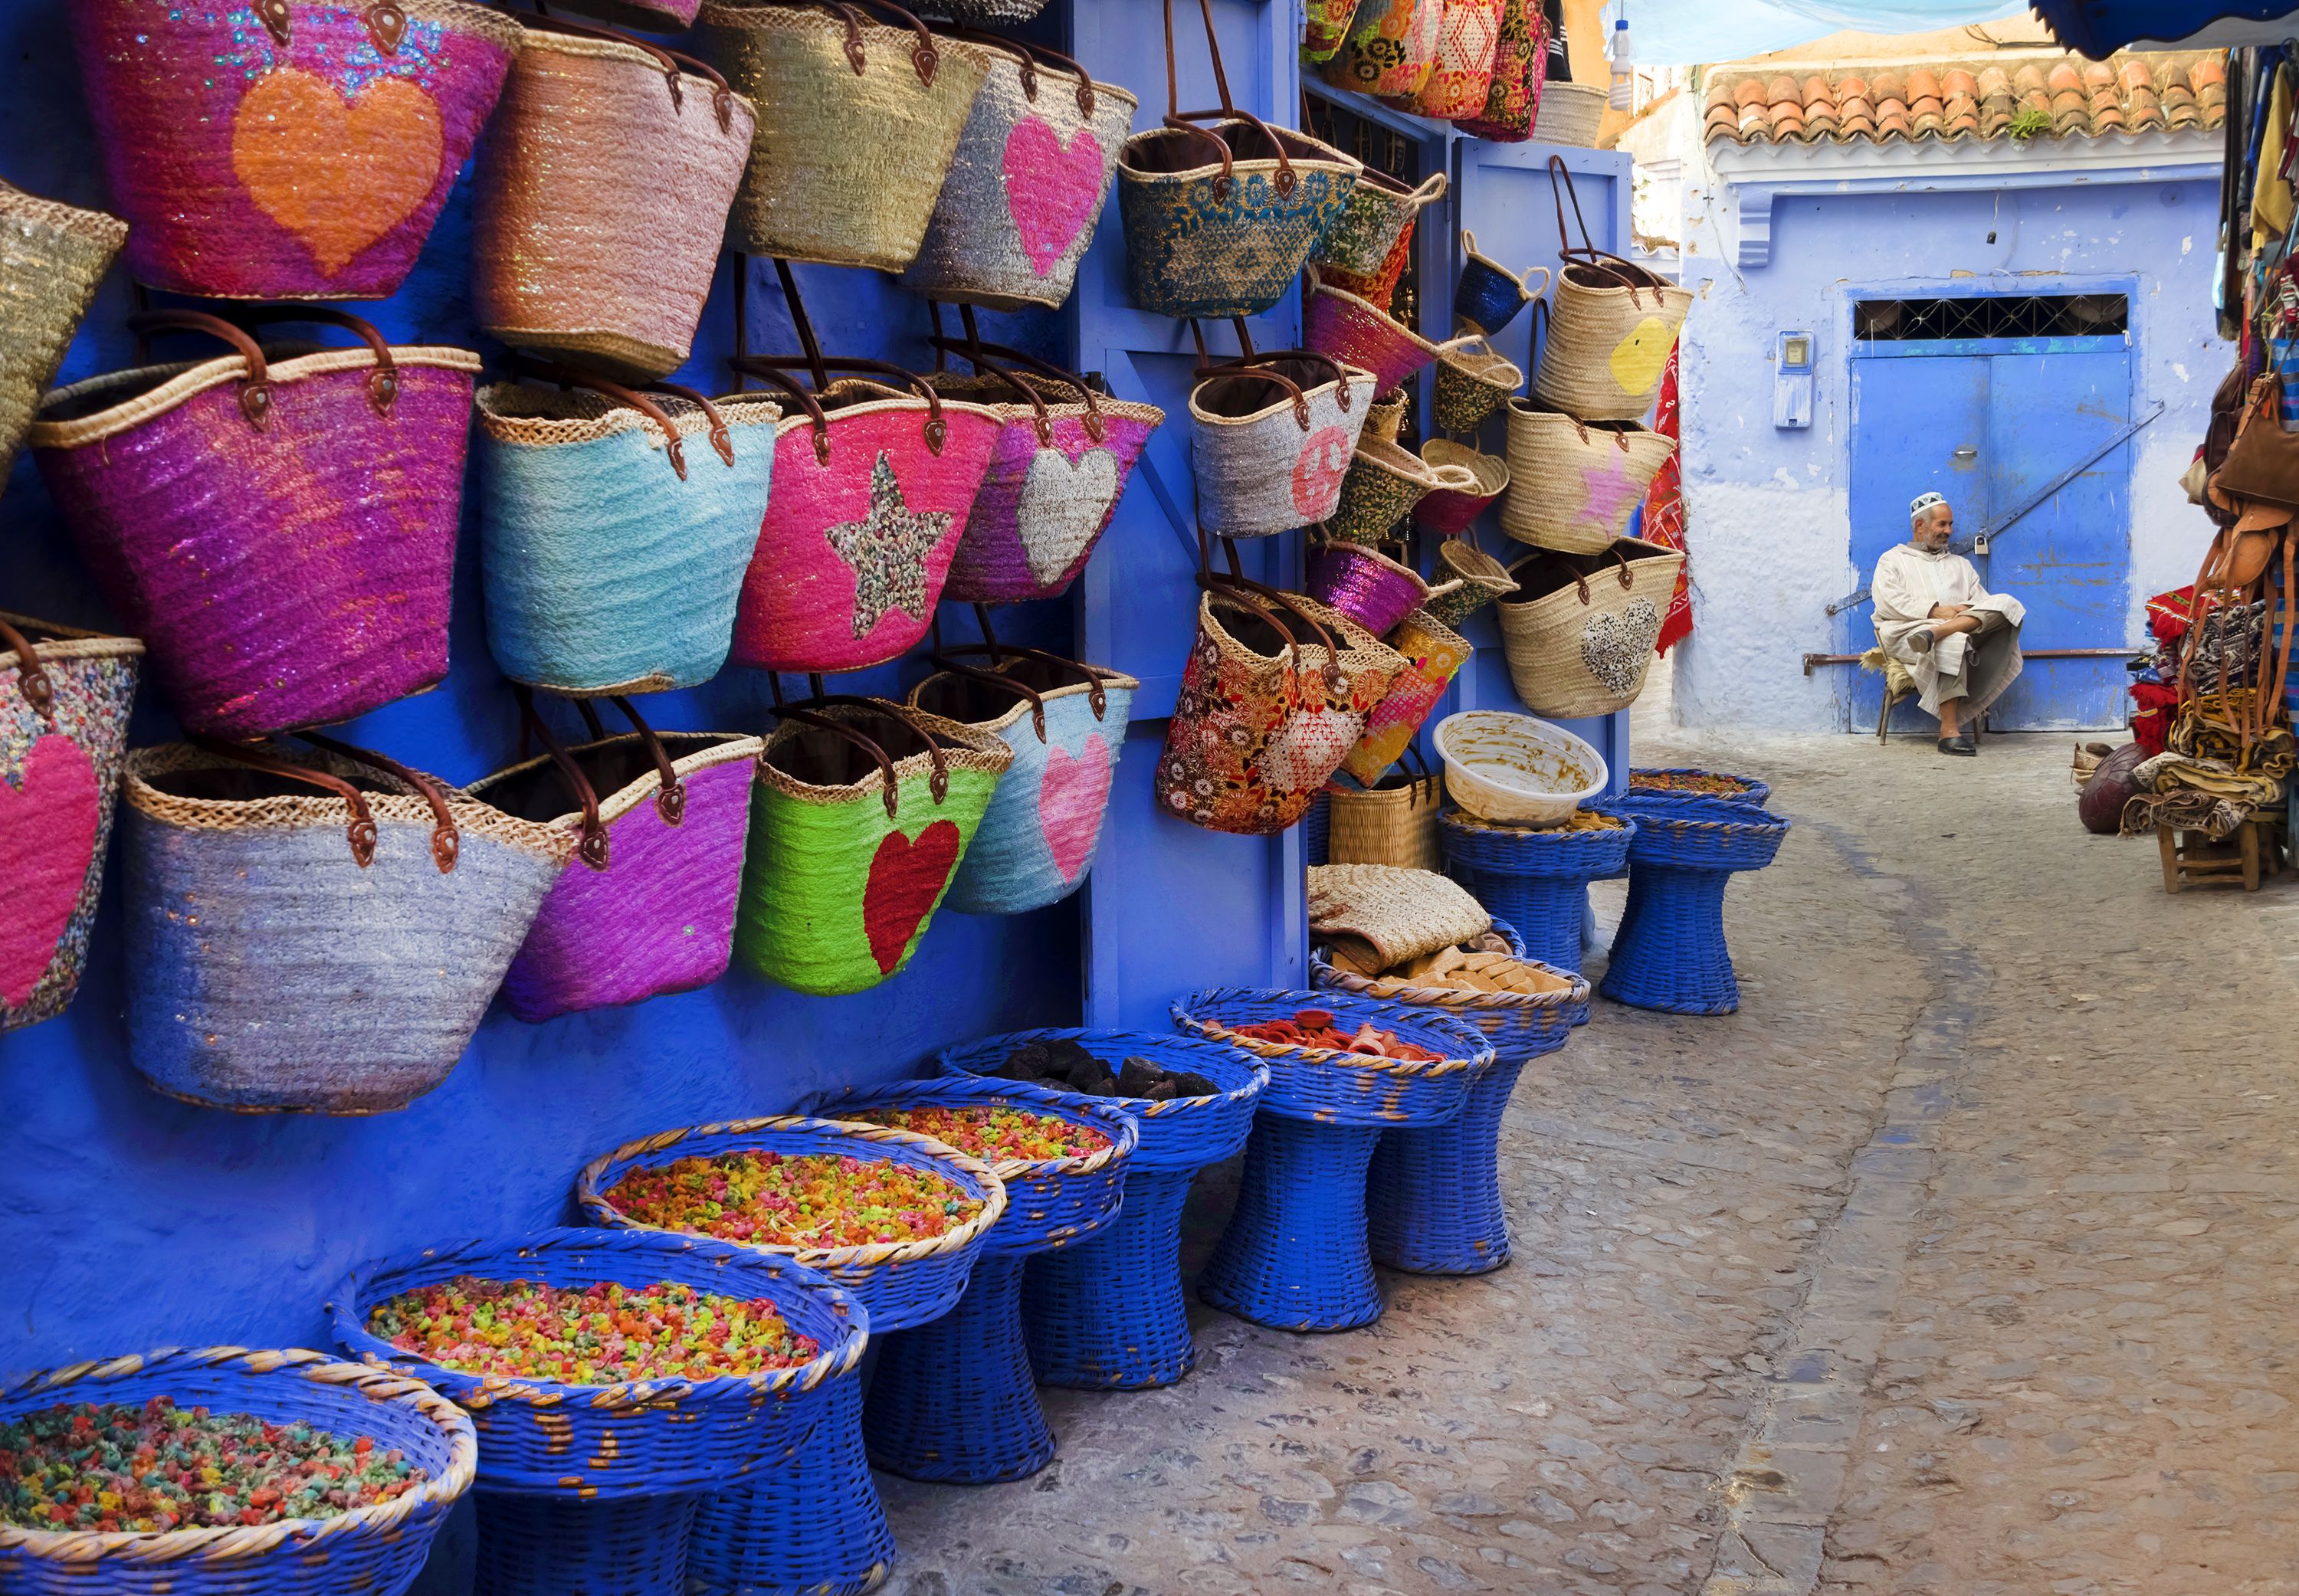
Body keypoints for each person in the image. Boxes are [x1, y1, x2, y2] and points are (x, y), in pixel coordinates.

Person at [1871, 492, 2026, 756]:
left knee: (2008, 604)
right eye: (1942, 524)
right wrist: (1935, 610)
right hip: (1909, 633)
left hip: (1957, 629)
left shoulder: (1960, 565)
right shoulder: (1892, 560)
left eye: (1950, 525)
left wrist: (1957, 616)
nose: (1949, 531)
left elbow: (1983, 602)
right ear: (1921, 526)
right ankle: (1949, 731)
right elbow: (1888, 601)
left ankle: (1941, 632)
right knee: (1953, 642)